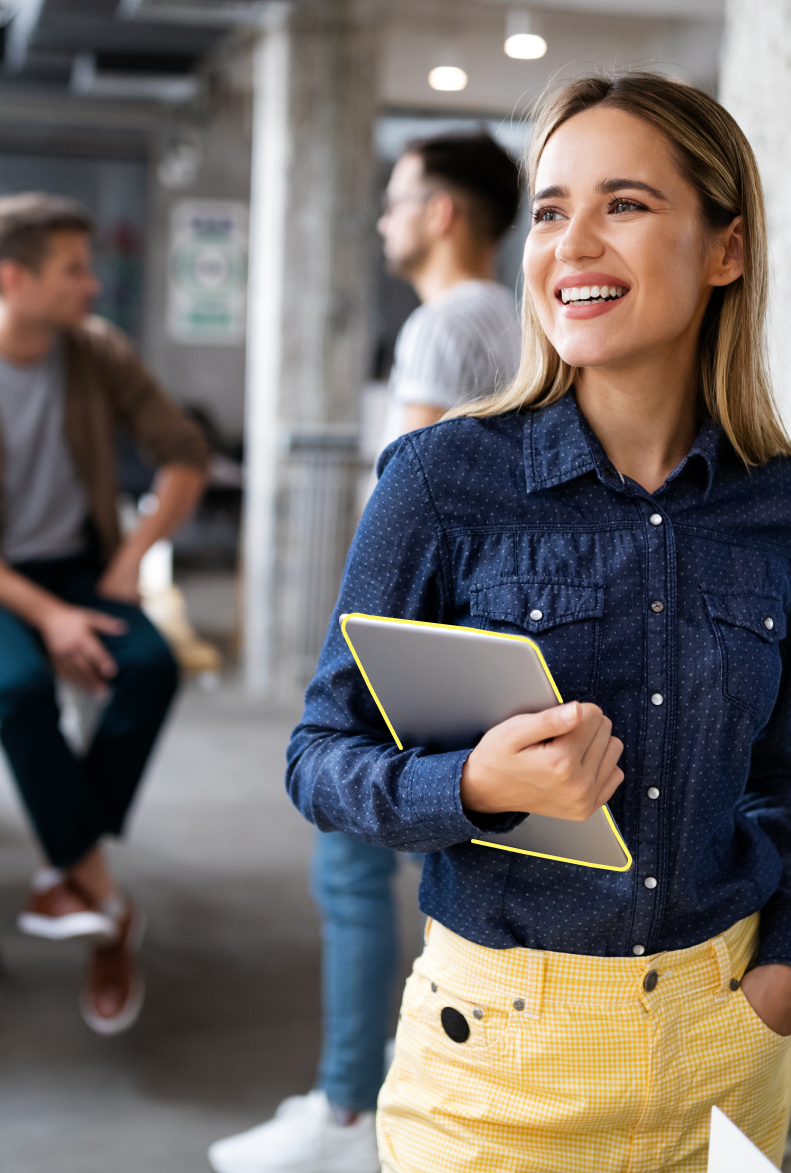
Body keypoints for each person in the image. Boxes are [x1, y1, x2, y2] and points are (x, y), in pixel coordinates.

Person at [285, 71, 791, 1172]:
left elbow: (776, 777)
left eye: (623, 205)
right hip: (498, 1061)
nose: (571, 243)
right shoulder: (441, 481)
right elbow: (316, 758)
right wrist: (475, 787)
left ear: (725, 248)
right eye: (549, 211)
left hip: (724, 1045)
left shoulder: (788, 507)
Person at [207, 134, 521, 1173]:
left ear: (445, 213)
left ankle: (351, 1106)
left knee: (350, 862)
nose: (383, 220)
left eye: (396, 200)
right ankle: (401, 1090)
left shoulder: (444, 327)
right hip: (490, 629)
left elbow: (404, 510)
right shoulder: (513, 323)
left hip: (424, 639)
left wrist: (359, 646)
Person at [0, 193, 209, 1036]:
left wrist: (129, 558)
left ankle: (67, 865)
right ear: (13, 277)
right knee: (20, 683)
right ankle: (100, 896)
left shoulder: (95, 353)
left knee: (151, 665)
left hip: (77, 565)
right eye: (74, 269)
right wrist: (50, 617)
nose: (92, 285)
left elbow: (184, 455)